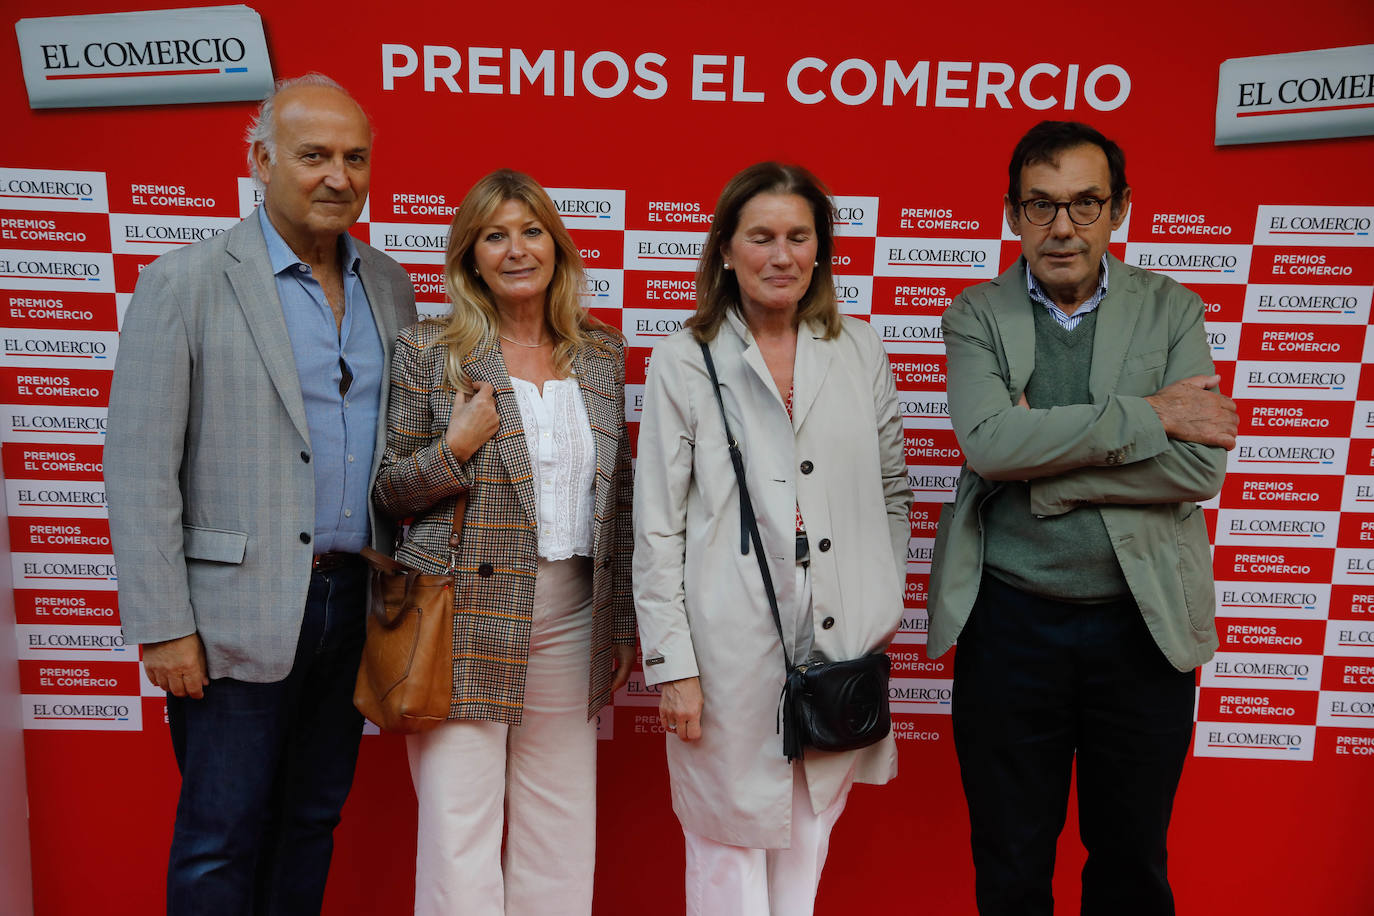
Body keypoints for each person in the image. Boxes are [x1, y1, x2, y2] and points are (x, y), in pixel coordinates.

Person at [104, 74, 417, 914]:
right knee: (220, 835)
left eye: (355, 158)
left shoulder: (390, 286)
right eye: (313, 156)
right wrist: (165, 625)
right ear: (261, 161)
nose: (337, 176)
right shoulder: (185, 283)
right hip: (228, 615)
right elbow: (138, 472)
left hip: (351, 605)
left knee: (310, 822)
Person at [928, 120, 1239, 916]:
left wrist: (1053, 476)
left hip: (1141, 629)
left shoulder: (1172, 309)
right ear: (1010, 213)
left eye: (1085, 203)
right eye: (1040, 205)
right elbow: (993, 444)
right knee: (1010, 863)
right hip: (1010, 627)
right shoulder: (975, 314)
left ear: (1121, 208)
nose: (1062, 227)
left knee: (1132, 865)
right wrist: (1147, 417)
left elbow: (1200, 465)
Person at [634, 161, 913, 916]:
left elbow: (892, 488)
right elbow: (656, 524)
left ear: (820, 251)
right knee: (726, 854)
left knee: (807, 843)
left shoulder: (858, 350)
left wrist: (877, 601)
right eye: (761, 237)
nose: (780, 255)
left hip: (837, 644)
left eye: (798, 237)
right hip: (725, 647)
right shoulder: (683, 359)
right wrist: (673, 665)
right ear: (725, 248)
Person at [372, 168, 634, 916]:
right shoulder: (432, 350)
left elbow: (618, 499)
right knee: (461, 831)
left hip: (573, 611)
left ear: (555, 245)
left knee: (560, 826)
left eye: (530, 231)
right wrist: (452, 450)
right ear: (470, 257)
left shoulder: (600, 354)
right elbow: (390, 492)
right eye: (495, 235)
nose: (516, 250)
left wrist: (618, 625)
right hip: (461, 611)